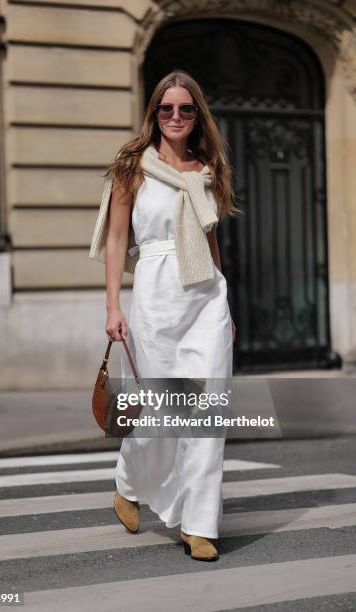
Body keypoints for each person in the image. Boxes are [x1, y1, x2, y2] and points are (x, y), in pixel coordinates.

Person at [89, 70, 239, 561]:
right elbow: (116, 239)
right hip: (155, 294)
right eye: (167, 108)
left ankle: (199, 524)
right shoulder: (134, 165)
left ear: (198, 115)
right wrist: (113, 304)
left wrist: (226, 303)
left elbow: (210, 236)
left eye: (186, 109)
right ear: (155, 113)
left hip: (205, 296)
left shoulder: (208, 166)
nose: (176, 117)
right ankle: (129, 482)